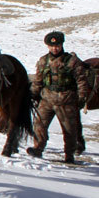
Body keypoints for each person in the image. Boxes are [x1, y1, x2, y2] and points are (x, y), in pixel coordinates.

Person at [27, 31, 90, 163]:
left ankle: (69, 155)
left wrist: (81, 98)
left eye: (57, 45)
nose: (55, 48)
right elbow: (38, 80)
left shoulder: (72, 61)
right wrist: (33, 94)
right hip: (47, 99)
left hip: (66, 100)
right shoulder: (44, 61)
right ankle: (38, 148)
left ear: (62, 45)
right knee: (39, 124)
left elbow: (82, 81)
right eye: (51, 46)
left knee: (69, 129)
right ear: (48, 46)